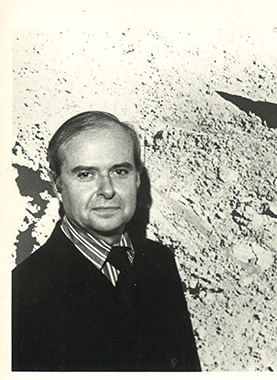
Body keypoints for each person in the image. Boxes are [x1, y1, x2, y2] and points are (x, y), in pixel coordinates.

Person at [12, 111, 202, 371]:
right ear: (57, 184)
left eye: (120, 171)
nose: (108, 189)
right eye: (85, 174)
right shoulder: (22, 292)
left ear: (137, 178)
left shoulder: (159, 260)